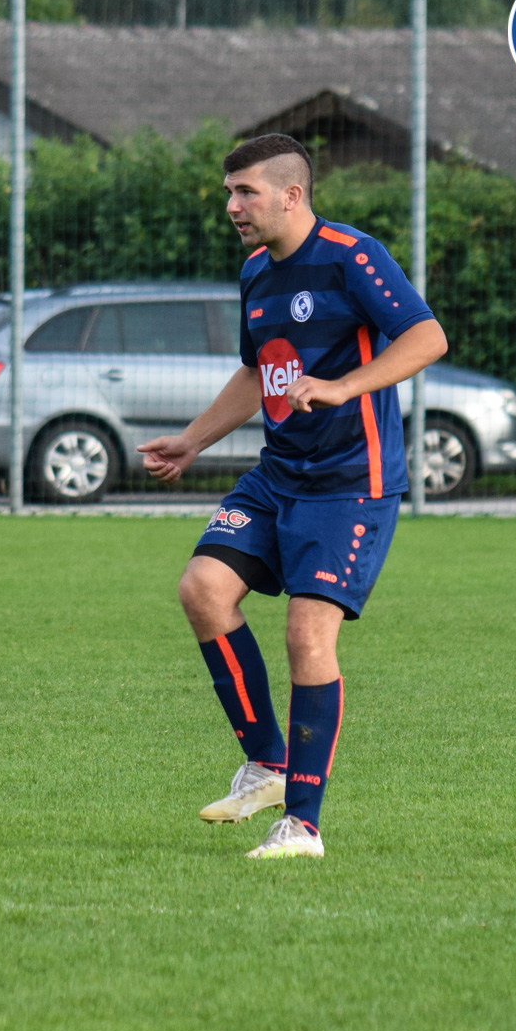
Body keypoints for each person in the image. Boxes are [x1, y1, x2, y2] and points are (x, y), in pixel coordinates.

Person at [137, 134, 448, 859]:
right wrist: (192, 441)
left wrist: (343, 386)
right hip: (279, 473)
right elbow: (257, 373)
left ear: (291, 194)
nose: (232, 206)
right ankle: (266, 766)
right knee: (203, 589)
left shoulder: (351, 255)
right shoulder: (256, 272)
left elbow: (426, 337)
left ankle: (302, 825)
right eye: (229, 192)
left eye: (245, 191)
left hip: (350, 483)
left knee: (308, 637)